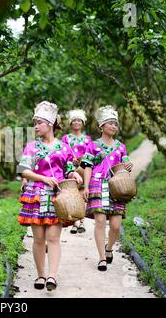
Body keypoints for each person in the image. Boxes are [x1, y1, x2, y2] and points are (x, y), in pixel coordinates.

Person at [17, 101, 83, 291]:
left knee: (53, 238)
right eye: (35, 122)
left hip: (58, 197)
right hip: (36, 195)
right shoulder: (31, 146)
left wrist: (75, 174)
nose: (36, 126)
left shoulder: (64, 147)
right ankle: (40, 275)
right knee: (38, 239)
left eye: (39, 122)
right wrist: (44, 179)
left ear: (51, 123)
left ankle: (52, 276)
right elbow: (24, 171)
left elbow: (68, 168)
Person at [80, 106, 133, 271]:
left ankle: (109, 247)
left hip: (117, 187)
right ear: (101, 126)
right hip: (97, 184)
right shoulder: (93, 145)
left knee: (116, 225)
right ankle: (102, 257)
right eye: (110, 123)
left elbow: (123, 166)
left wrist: (128, 165)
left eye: (116, 124)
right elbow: (87, 167)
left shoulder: (121, 147)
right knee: (100, 221)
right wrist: (86, 186)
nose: (114, 126)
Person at [61, 109, 93, 234]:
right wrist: (71, 160)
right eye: (74, 120)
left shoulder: (87, 139)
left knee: (82, 194)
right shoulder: (66, 138)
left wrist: (81, 159)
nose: (77, 122)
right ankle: (75, 223)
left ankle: (81, 221)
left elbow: (90, 154)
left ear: (82, 123)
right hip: (70, 168)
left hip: (83, 168)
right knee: (73, 193)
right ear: (70, 123)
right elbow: (63, 153)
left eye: (79, 120)